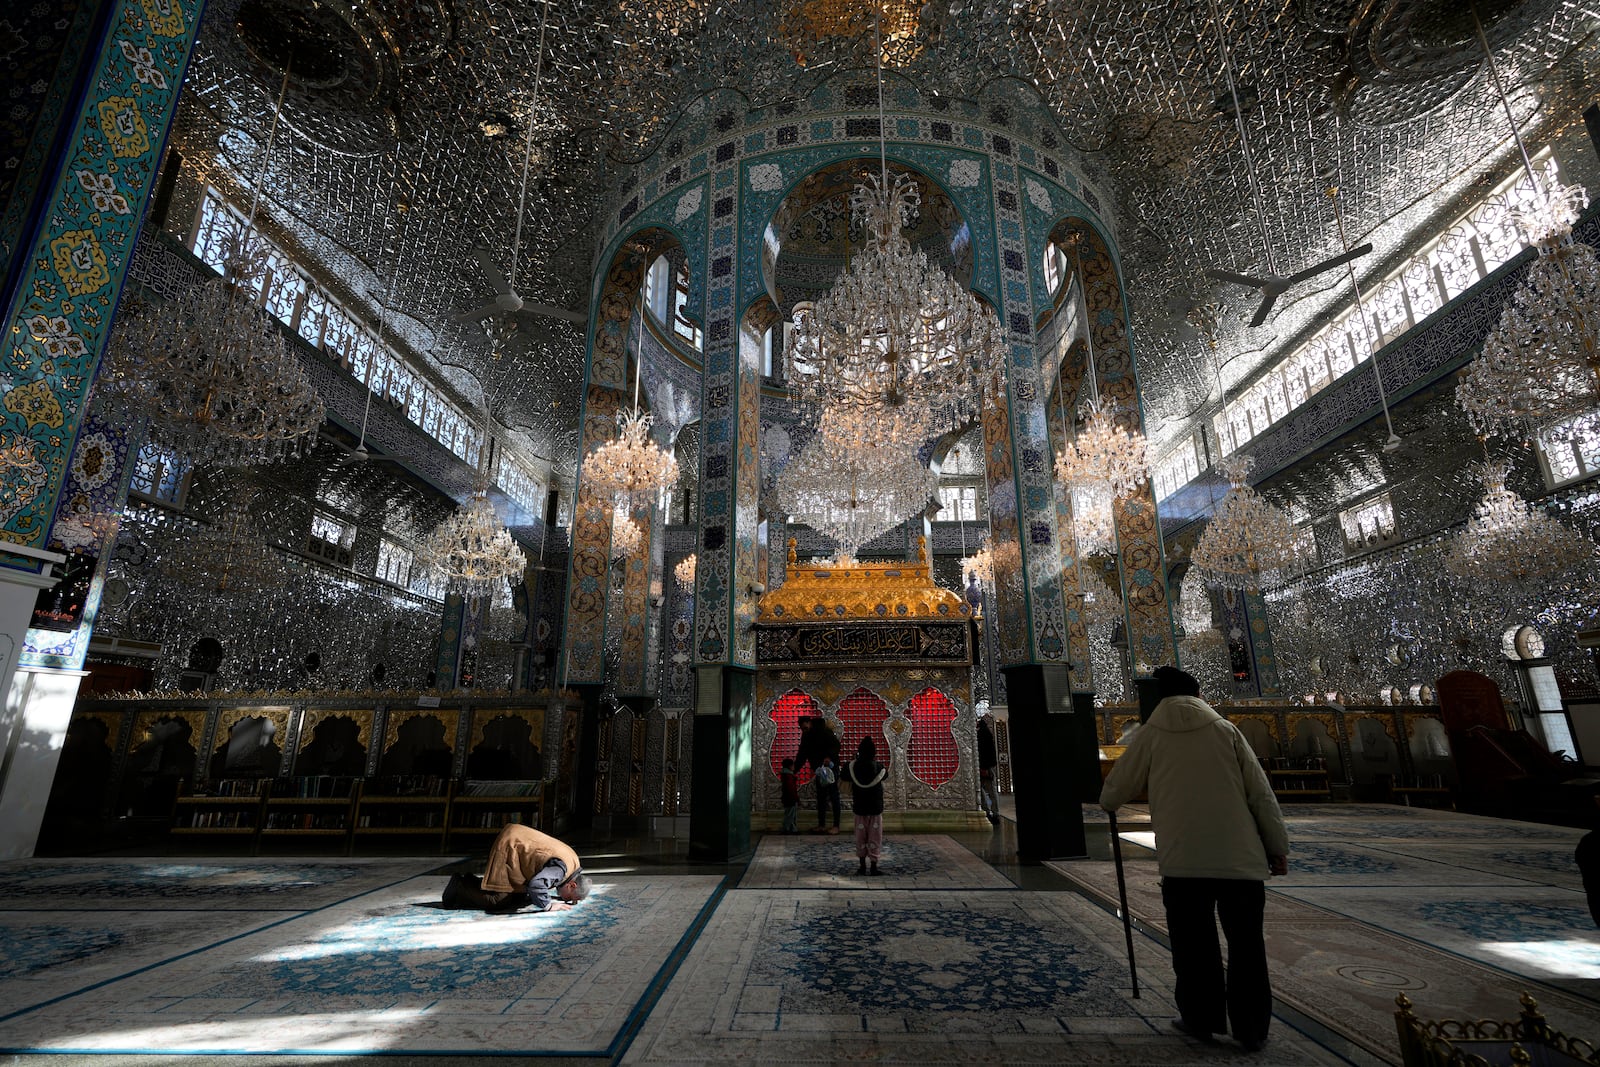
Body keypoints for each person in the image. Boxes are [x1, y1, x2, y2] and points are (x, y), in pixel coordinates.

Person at [1100, 666, 1289, 1054]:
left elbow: (1115, 789)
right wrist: (1277, 846)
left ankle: (1201, 1020)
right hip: (1240, 861)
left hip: (1184, 863)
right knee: (1247, 946)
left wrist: (1108, 802)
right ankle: (1251, 1028)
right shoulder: (1225, 731)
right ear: (1197, 694)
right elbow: (1260, 794)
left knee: (1194, 945)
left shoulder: (1151, 735)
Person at [441, 823, 592, 913]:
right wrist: (548, 905)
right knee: (498, 901)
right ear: (572, 884)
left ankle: (470, 882)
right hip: (511, 845)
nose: (565, 900)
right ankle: (459, 886)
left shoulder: (574, 863)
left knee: (520, 898)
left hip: (518, 842)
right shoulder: (561, 870)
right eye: (570, 898)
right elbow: (537, 884)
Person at [795, 716, 841, 833]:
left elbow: (836, 746)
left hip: (830, 769)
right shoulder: (807, 736)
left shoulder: (825, 732)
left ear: (809, 723)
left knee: (833, 796)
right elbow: (802, 754)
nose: (804, 730)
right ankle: (822, 825)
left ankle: (836, 826)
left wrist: (828, 757)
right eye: (802, 729)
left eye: (805, 727)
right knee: (821, 797)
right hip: (820, 770)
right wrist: (794, 769)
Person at [849, 737, 888, 875]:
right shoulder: (879, 767)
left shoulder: (853, 767)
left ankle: (861, 866)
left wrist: (855, 759)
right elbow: (885, 776)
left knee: (860, 836)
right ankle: (873, 866)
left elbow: (844, 775)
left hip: (860, 807)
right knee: (875, 836)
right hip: (875, 808)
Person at [976, 716, 1000, 825]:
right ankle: (994, 813)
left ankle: (989, 812)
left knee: (985, 791)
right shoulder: (986, 734)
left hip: (983, 767)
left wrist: (983, 767)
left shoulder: (981, 734)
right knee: (990, 792)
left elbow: (983, 752)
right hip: (986, 767)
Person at [813, 756, 841, 834]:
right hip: (822, 774)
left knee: (834, 799)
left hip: (832, 773)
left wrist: (831, 762)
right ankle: (821, 825)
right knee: (821, 800)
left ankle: (836, 826)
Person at [780, 757, 800, 834]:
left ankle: (791, 829)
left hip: (787, 798)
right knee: (790, 815)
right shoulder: (789, 776)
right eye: (793, 765)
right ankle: (787, 829)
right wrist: (796, 799)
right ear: (789, 766)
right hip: (791, 798)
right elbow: (791, 789)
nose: (794, 767)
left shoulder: (786, 775)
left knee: (789, 814)